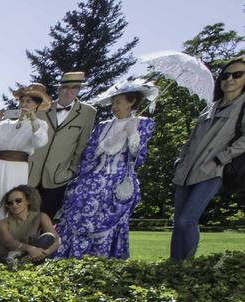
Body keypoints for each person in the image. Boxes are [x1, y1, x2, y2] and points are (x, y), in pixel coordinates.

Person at [56, 80, 157, 259]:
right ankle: (73, 256)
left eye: (118, 102)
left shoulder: (143, 124)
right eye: (113, 102)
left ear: (131, 101)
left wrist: (133, 135)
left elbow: (138, 158)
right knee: (76, 200)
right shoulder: (103, 126)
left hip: (118, 179)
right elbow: (88, 155)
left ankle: (104, 258)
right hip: (93, 177)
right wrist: (102, 147)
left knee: (109, 217)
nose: (114, 106)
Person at [171, 54, 245, 260]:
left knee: (187, 220)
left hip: (212, 170)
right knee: (177, 223)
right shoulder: (211, 107)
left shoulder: (242, 107)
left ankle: (186, 264)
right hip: (186, 170)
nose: (229, 79)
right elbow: (191, 139)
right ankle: (173, 266)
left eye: (237, 75)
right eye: (225, 75)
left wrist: (223, 157)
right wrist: (181, 160)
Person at [0, 84, 51, 251]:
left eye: (29, 101)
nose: (24, 104)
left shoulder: (39, 125)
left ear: (37, 105)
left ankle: (3, 248)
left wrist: (32, 120)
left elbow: (40, 142)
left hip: (15, 169)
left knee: (9, 205)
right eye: (22, 101)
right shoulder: (5, 125)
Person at [28, 71, 98, 218]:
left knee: (46, 218)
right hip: (31, 173)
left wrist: (72, 171)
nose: (70, 91)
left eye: (75, 88)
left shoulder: (88, 112)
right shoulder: (42, 108)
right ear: (59, 89)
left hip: (59, 176)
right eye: (66, 87)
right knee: (24, 216)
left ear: (79, 90)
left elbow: (82, 144)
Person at [0, 184, 61, 263]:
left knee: (48, 237)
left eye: (18, 200)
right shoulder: (3, 223)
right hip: (4, 258)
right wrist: (31, 249)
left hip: (30, 257)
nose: (14, 205)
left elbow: (57, 240)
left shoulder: (40, 216)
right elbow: (9, 242)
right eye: (10, 203)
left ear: (28, 201)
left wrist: (44, 253)